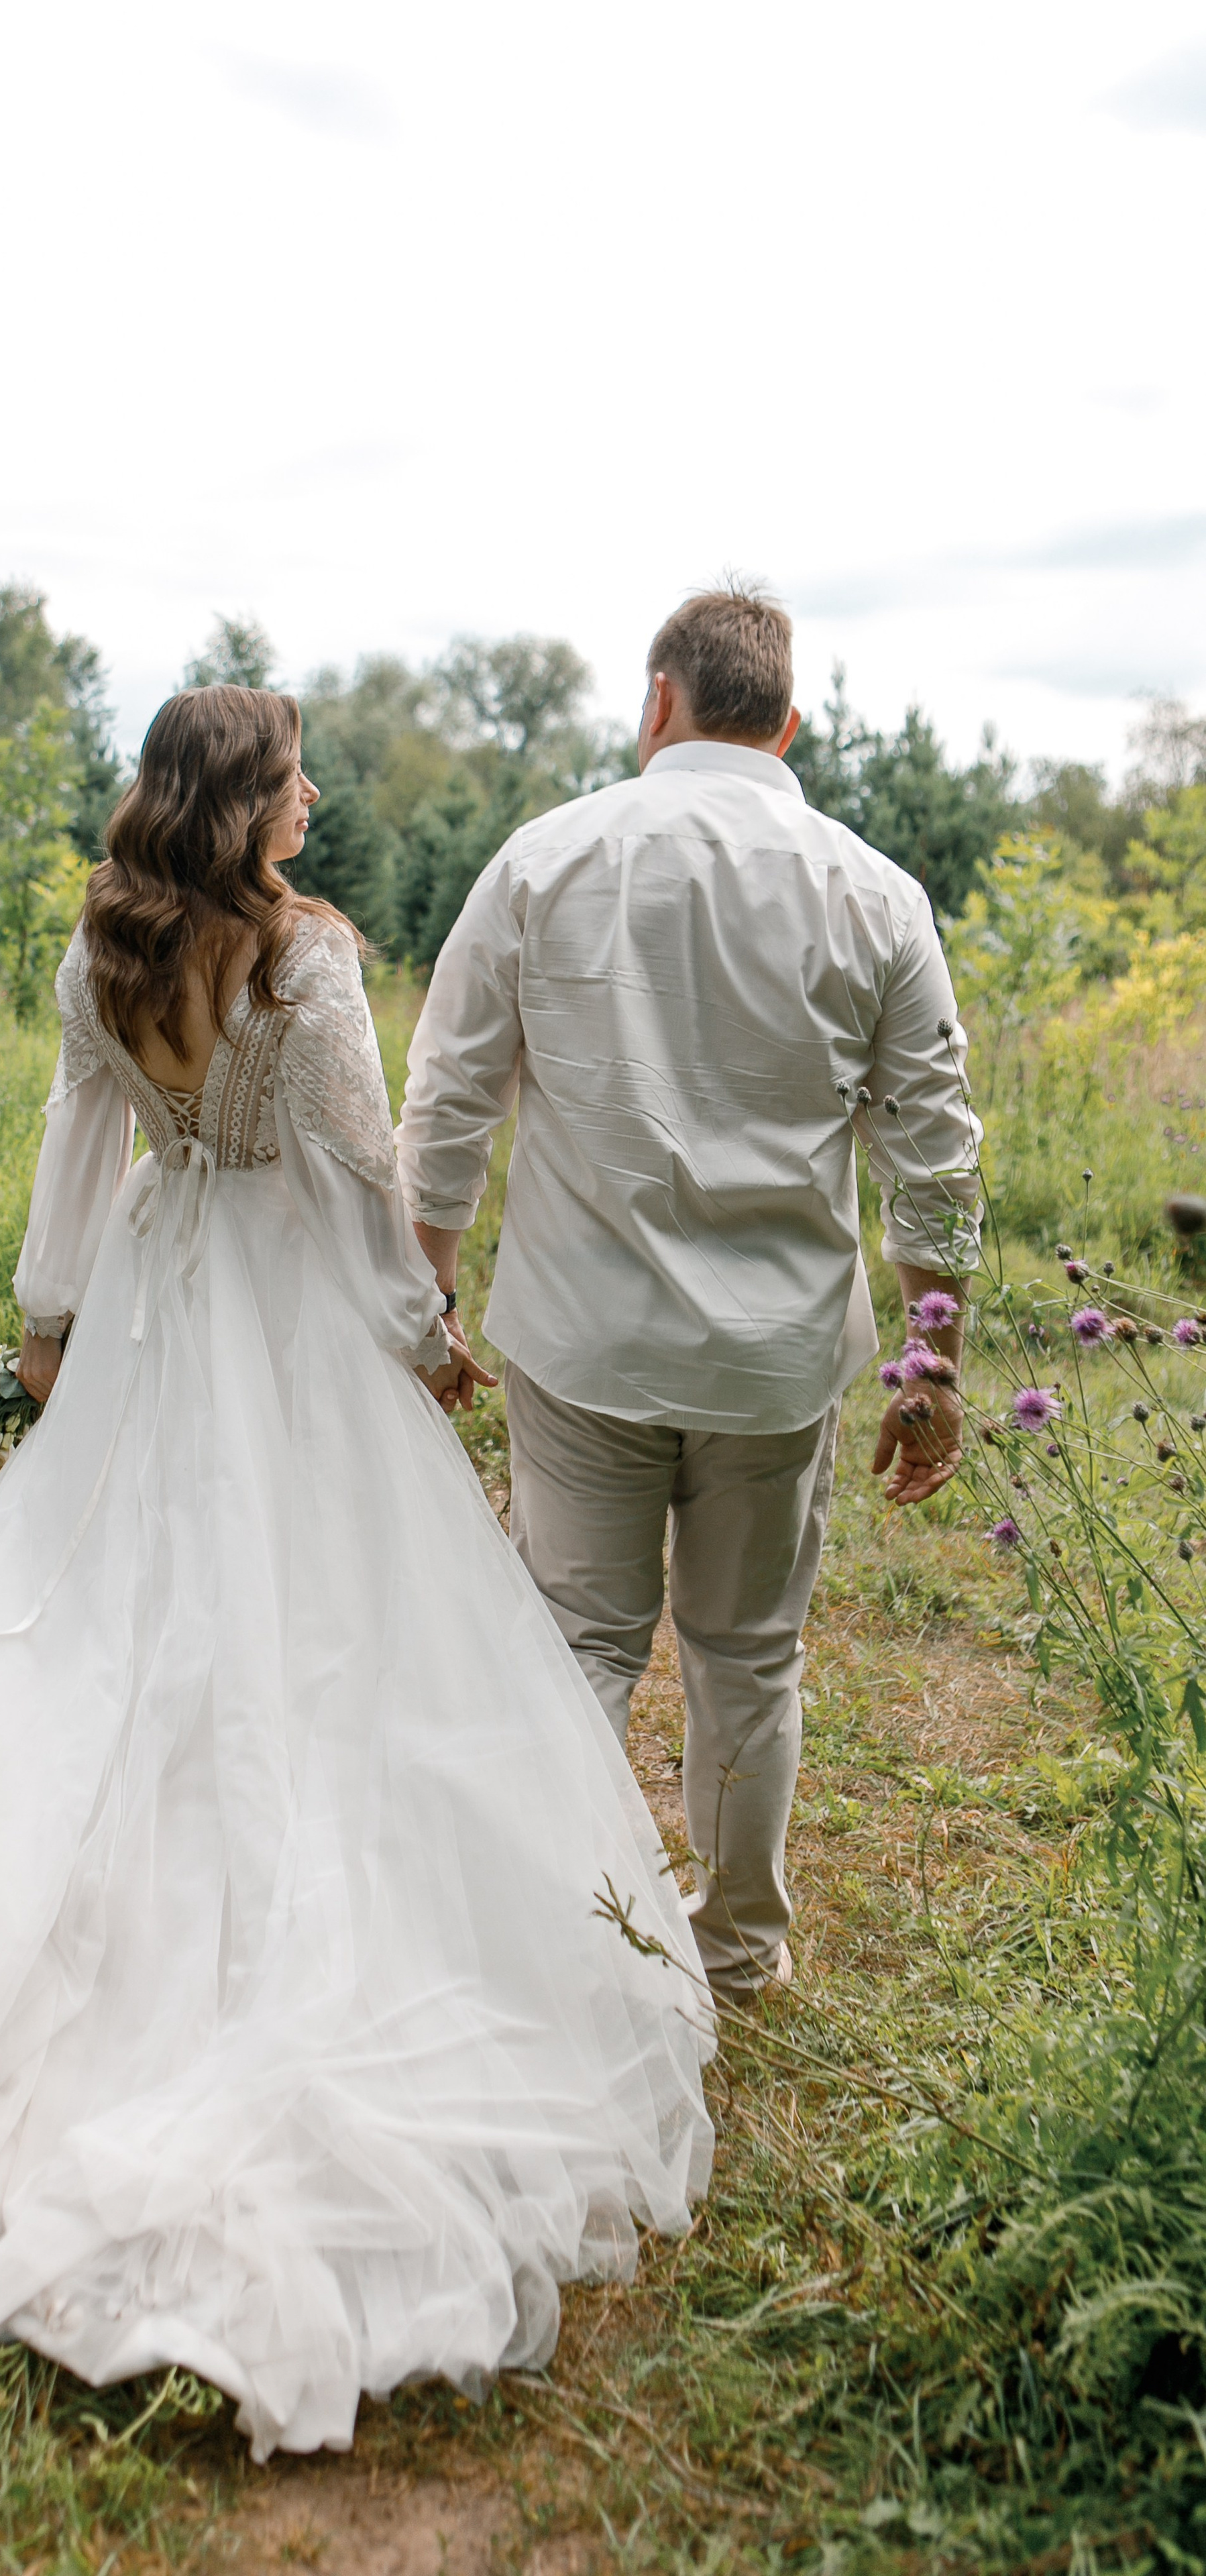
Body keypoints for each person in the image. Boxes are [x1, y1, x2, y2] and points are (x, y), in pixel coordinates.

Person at [0, 684, 714, 2464]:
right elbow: (354, 1167)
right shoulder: (307, 966)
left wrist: (53, 1324)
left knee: (108, 1619)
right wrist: (419, 1333)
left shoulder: (107, 957)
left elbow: (78, 1149)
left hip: (158, 1293)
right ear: (242, 801)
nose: (315, 796)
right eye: (294, 775)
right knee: (322, 1630)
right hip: (288, 1309)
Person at [396, 584, 981, 2006]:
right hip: (774, 1363)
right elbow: (931, 1144)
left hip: (578, 1337)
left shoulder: (542, 860)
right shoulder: (873, 893)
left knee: (579, 1642)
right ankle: (732, 1952)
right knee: (746, 1656)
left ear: (654, 701)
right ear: (784, 723)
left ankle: (558, 1947)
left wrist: (428, 1297)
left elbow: (450, 1095)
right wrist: (929, 1356)